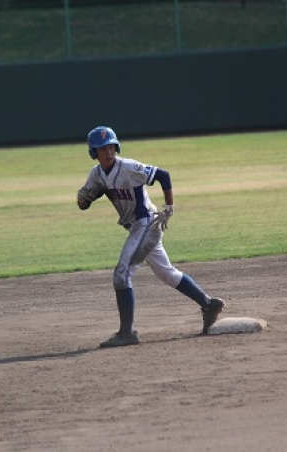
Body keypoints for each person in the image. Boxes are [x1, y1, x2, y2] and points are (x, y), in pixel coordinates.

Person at [77, 126, 226, 348]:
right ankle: (208, 304)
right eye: (102, 149)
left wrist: (169, 206)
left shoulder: (128, 167)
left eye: (111, 147)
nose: (108, 152)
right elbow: (84, 204)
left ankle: (127, 332)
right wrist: (82, 199)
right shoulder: (96, 174)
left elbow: (163, 175)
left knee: (122, 273)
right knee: (167, 273)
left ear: (116, 147)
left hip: (147, 223)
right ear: (93, 152)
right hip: (136, 228)